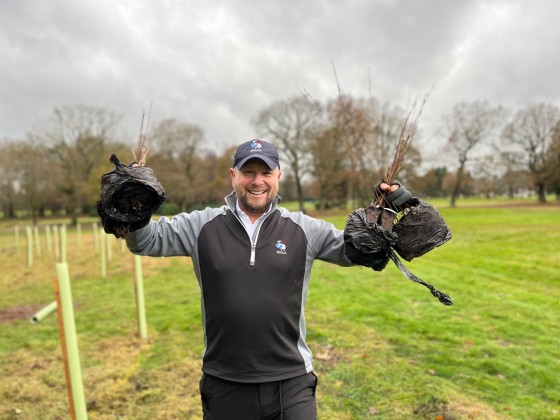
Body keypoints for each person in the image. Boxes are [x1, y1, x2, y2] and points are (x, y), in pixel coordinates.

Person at [102, 139, 415, 419]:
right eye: (248, 172)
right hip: (225, 383)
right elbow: (146, 241)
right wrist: (134, 204)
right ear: (233, 176)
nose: (257, 181)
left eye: (266, 173)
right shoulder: (202, 225)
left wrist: (387, 213)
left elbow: (356, 251)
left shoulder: (304, 228)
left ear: (278, 177)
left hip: (291, 382)